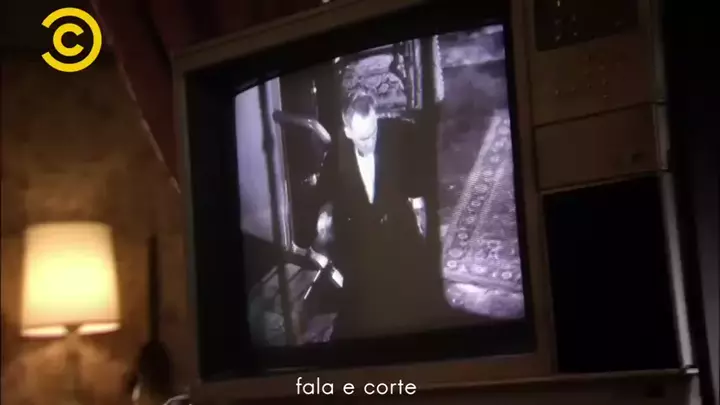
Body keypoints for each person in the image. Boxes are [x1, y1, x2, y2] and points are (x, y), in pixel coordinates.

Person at [305, 90, 453, 339]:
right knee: (359, 321)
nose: (371, 142)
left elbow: (418, 190)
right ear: (348, 132)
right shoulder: (336, 159)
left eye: (373, 132)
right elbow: (323, 198)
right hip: (361, 243)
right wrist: (325, 213)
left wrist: (420, 217)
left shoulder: (397, 138)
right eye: (363, 138)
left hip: (398, 232)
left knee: (420, 312)